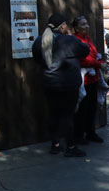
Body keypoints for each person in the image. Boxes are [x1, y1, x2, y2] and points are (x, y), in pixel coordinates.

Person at [35, 14, 91, 157]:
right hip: (68, 85)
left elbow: (36, 58)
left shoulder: (40, 41)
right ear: (63, 26)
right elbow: (85, 50)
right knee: (67, 116)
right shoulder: (69, 40)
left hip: (49, 83)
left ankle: (55, 144)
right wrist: (70, 35)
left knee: (53, 114)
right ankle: (71, 146)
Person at [71, 17, 104, 145]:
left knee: (91, 108)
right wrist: (99, 64)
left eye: (87, 23)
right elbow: (82, 60)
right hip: (83, 80)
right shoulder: (75, 40)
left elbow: (94, 55)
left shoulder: (87, 39)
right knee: (82, 110)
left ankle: (90, 132)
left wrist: (100, 62)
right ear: (77, 28)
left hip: (93, 77)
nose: (87, 26)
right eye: (83, 24)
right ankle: (78, 135)